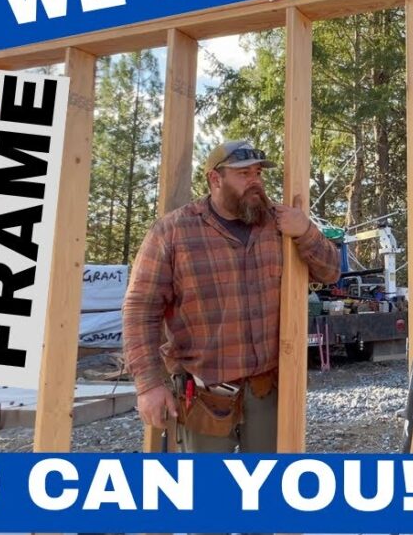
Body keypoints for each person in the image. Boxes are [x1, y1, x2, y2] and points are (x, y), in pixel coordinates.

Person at [123, 140, 341, 454]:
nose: (255, 181)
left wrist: (306, 230)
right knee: (205, 494)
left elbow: (331, 272)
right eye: (243, 174)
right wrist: (149, 385)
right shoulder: (173, 232)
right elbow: (140, 309)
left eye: (258, 173)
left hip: (268, 390)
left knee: (267, 488)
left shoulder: (280, 225)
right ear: (215, 179)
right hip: (203, 394)